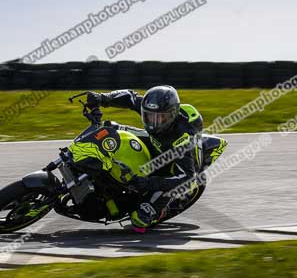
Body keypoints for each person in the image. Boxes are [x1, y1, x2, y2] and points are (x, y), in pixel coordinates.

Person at [85, 85, 226, 231]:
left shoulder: (183, 138)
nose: (154, 122)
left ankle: (160, 211)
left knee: (139, 219)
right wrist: (103, 98)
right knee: (110, 128)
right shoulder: (154, 108)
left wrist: (148, 183)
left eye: (161, 118)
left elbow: (187, 180)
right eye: (149, 116)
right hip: (157, 142)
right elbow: (130, 96)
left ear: (172, 115)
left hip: (179, 163)